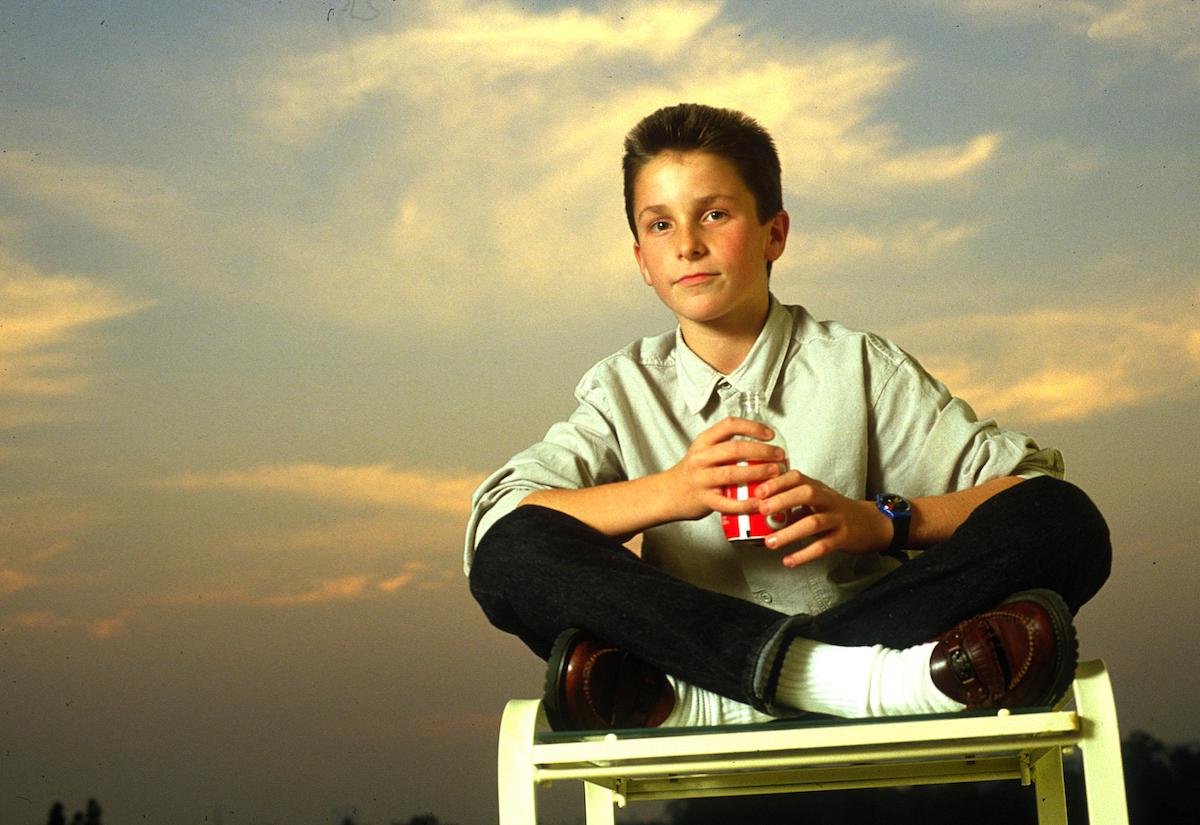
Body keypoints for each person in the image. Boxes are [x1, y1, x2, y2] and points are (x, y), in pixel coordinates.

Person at [464, 103, 1111, 731]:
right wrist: (670, 492)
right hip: (829, 666)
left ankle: (743, 691)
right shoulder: (620, 387)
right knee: (508, 553)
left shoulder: (858, 365)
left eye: (714, 214)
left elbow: (1025, 492)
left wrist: (880, 522)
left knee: (1066, 518)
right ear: (641, 260)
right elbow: (503, 522)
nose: (687, 245)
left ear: (775, 232)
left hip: (836, 641)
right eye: (660, 225)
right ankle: (849, 685)